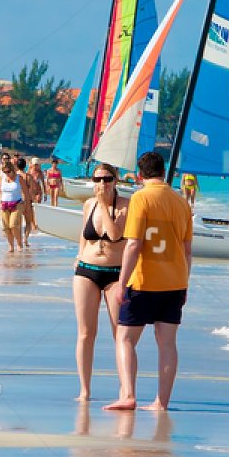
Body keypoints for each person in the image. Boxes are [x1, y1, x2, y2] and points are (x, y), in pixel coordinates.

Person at [105, 151, 193, 412]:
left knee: (125, 338)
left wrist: (122, 283)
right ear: (164, 172)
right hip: (175, 281)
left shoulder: (140, 198)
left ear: (139, 175)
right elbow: (187, 250)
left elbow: (133, 244)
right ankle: (161, 402)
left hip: (143, 282)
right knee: (167, 343)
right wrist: (185, 283)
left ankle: (128, 395)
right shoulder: (181, 202)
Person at [72, 163, 130, 403]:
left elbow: (115, 234)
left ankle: (124, 389)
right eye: (97, 180)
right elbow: (84, 234)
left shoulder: (126, 205)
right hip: (87, 271)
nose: (102, 184)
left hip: (115, 273)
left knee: (120, 334)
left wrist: (105, 204)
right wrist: (78, 256)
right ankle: (84, 390)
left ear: (115, 180)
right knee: (86, 333)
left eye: (107, 179)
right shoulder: (89, 204)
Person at [0, 159, 25, 252]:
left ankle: (19, 243)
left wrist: (26, 206)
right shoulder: (1, 178)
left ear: (13, 170)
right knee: (6, 227)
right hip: (4, 204)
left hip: (17, 203)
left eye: (8, 171)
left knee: (13, 225)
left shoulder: (19, 178)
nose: (7, 173)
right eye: (4, 172)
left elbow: (25, 192)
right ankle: (11, 246)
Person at [18, 156, 40, 244]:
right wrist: (34, 198)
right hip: (27, 200)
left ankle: (19, 239)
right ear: (25, 166)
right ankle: (25, 239)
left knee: (18, 222)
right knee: (28, 222)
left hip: (17, 200)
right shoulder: (28, 176)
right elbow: (33, 189)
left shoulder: (15, 176)